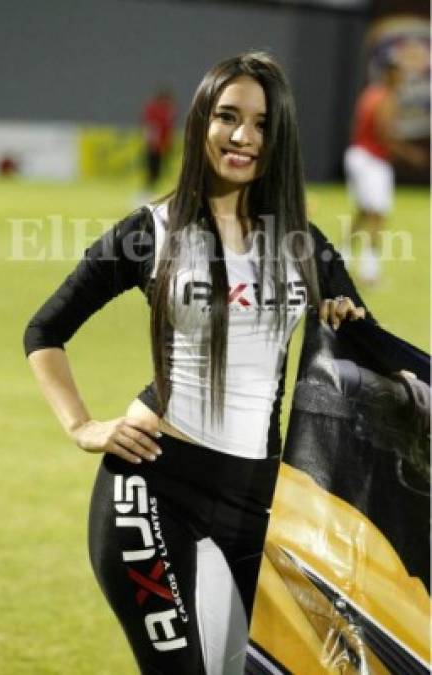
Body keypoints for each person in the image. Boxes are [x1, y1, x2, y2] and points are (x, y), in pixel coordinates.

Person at [24, 51, 372, 675]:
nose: (243, 137)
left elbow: (358, 354)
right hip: (155, 488)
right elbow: (45, 329)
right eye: (227, 117)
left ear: (281, 134)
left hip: (262, 502)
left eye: (262, 124)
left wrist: (346, 318)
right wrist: (83, 426)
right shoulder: (151, 232)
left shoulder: (301, 244)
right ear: (201, 123)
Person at [343, 59, 428, 284]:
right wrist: (411, 155)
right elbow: (385, 135)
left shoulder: (370, 93)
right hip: (372, 160)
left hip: (357, 155)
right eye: (400, 75)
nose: (402, 80)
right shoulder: (387, 98)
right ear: (390, 75)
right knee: (377, 217)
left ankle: (339, 261)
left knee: (363, 212)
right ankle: (370, 273)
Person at [141, 88, 176, 192]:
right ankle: (146, 192)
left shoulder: (169, 110)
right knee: (153, 171)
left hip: (163, 145)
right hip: (155, 146)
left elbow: (169, 129)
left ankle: (150, 191)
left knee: (160, 171)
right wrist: (152, 143)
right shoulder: (154, 110)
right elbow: (151, 127)